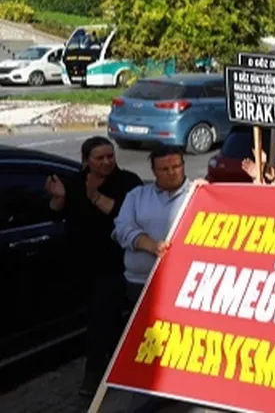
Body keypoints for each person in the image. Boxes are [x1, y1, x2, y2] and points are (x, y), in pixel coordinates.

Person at [46, 137, 144, 397]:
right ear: (86, 160)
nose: (106, 162)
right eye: (99, 158)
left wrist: (94, 195)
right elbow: (56, 213)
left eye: (110, 156)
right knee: (98, 319)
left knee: (104, 318)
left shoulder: (128, 182)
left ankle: (97, 374)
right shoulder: (74, 181)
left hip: (113, 263)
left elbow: (121, 215)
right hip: (81, 262)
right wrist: (58, 199)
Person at [112, 146, 192, 303]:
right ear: (154, 171)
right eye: (164, 169)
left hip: (183, 281)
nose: (171, 172)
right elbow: (121, 230)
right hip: (140, 282)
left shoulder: (198, 193)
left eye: (176, 166)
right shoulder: (137, 195)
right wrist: (152, 246)